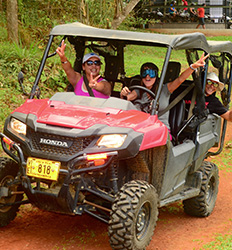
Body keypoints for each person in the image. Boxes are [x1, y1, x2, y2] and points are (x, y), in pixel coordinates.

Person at [120, 53, 209, 132]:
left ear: (156, 76)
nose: (148, 76)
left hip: (160, 129)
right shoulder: (139, 90)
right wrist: (124, 95)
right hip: (139, 128)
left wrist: (192, 67)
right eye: (144, 73)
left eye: (151, 73)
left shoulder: (165, 89)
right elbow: (129, 97)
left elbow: (180, 79)